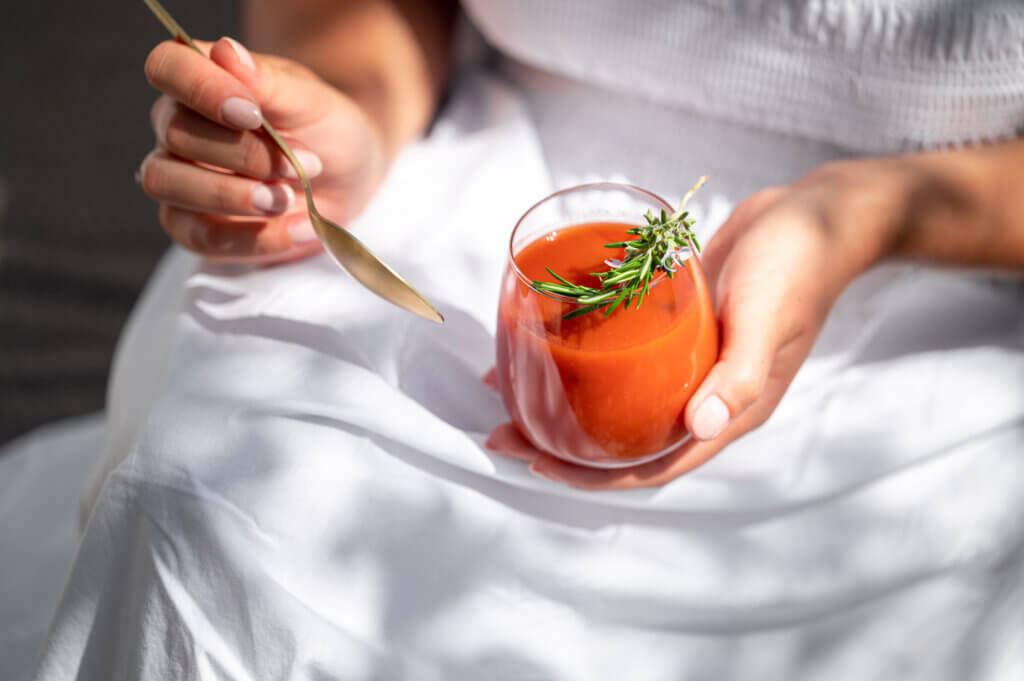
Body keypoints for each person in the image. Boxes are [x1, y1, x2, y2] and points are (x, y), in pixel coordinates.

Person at [33, 1, 1024, 679]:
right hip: (473, 175)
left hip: (937, 277)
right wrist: (349, 113)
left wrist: (879, 213)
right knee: (215, 503)